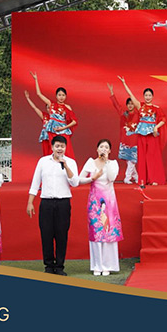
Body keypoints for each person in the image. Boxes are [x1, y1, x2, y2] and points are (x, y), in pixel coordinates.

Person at [27, 135, 80, 275]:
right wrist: (30, 202)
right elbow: (35, 182)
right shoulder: (43, 161)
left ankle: (60, 266)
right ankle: (49, 266)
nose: (59, 149)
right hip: (46, 203)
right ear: (52, 147)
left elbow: (75, 182)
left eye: (62, 146)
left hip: (63, 202)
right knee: (46, 234)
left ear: (65, 148)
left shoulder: (71, 162)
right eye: (57, 146)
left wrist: (66, 166)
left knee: (62, 235)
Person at [78, 139, 123, 276]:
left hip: (109, 202)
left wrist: (106, 162)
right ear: (97, 149)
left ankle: (108, 265)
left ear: (109, 151)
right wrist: (93, 178)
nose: (103, 149)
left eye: (106, 147)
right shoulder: (90, 162)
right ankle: (97, 265)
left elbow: (111, 178)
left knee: (108, 231)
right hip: (94, 202)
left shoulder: (113, 164)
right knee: (96, 231)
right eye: (101, 147)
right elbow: (79, 179)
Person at [119, 77, 167, 186]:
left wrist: (156, 127)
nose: (148, 97)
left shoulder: (156, 108)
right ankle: (143, 180)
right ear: (143, 96)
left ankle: (154, 179)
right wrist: (124, 83)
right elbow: (131, 95)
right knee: (142, 157)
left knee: (152, 156)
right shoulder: (140, 106)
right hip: (141, 135)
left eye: (150, 95)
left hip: (152, 135)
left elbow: (164, 119)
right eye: (146, 95)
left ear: (153, 96)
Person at [30, 71, 78, 159]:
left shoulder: (67, 107)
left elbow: (74, 121)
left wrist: (62, 128)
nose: (61, 97)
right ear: (56, 96)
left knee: (66, 152)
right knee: (52, 152)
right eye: (59, 95)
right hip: (52, 131)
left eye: (63, 95)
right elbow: (39, 94)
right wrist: (36, 80)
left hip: (63, 132)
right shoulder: (51, 104)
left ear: (66, 96)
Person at [108, 83, 139, 184]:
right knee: (129, 161)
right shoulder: (123, 114)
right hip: (125, 140)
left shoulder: (138, 114)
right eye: (128, 104)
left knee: (132, 160)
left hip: (135, 141)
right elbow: (116, 105)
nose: (130, 105)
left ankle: (127, 178)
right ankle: (137, 177)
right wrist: (112, 93)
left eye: (132, 103)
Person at [24, 90, 53, 156]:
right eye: (48, 108)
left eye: (51, 107)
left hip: (53, 137)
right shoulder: (44, 116)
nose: (49, 109)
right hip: (45, 137)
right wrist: (28, 98)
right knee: (46, 154)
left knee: (53, 153)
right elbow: (34, 108)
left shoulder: (57, 116)